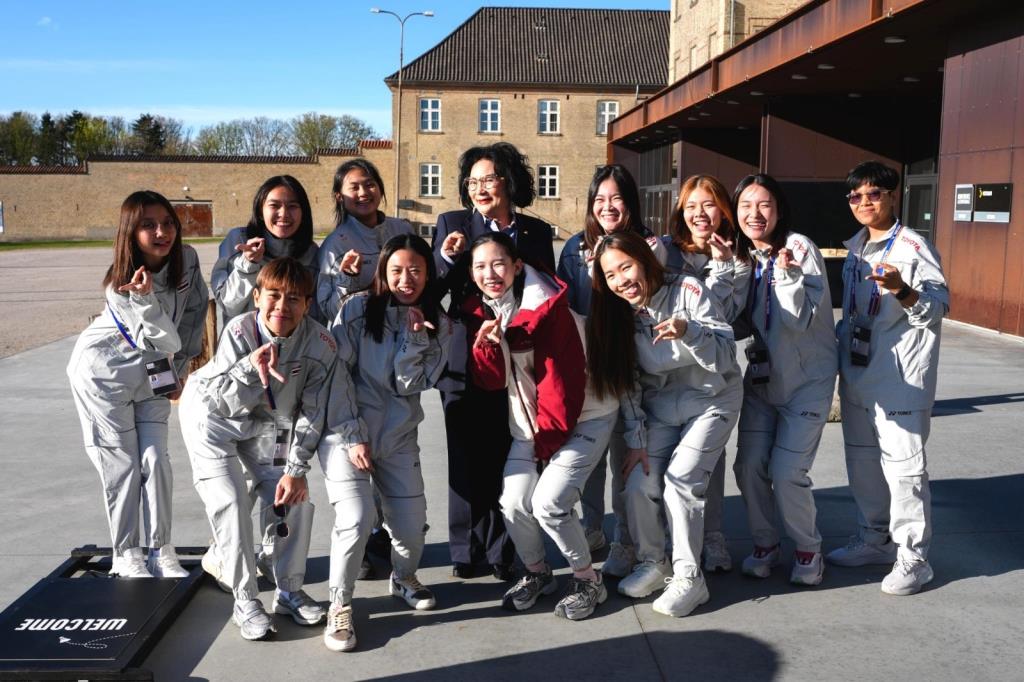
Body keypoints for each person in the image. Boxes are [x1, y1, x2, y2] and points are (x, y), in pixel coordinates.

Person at [465, 233, 619, 620]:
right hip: (533, 426)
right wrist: (487, 347)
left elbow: (560, 388)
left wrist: (546, 449)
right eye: (480, 266)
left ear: (517, 267)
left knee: (549, 503)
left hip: (585, 417)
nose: (489, 273)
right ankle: (538, 572)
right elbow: (493, 382)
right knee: (513, 503)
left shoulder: (548, 308)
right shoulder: (489, 309)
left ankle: (588, 579)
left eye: (498, 263)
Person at [588, 231, 742, 617]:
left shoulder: (688, 289)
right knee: (637, 483)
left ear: (645, 261)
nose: (621, 280)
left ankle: (690, 577)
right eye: (610, 275)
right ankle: (654, 562)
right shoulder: (617, 314)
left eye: (626, 267)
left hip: (712, 399)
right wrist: (637, 440)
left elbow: (725, 357)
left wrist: (689, 332)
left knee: (680, 483)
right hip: (661, 408)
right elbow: (628, 385)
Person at [179, 257, 330, 641]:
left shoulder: (320, 343)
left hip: (266, 422)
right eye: (273, 296)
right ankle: (245, 601)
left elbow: (312, 412)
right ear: (257, 296)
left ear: (308, 304)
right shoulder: (239, 331)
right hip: (212, 419)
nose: (282, 306)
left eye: (294, 298)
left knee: (293, 497)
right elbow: (224, 402)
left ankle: (289, 590)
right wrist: (249, 368)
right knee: (231, 503)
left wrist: (296, 469)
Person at [318, 234, 452, 652]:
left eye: (415, 270)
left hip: (398, 438)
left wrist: (416, 340)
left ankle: (404, 577)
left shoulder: (440, 323)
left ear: (428, 274)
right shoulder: (356, 310)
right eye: (396, 270)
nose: (406, 279)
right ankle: (339, 605)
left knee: (411, 527)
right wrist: (352, 435)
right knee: (356, 520)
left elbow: (409, 384)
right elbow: (335, 377)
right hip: (346, 434)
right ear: (383, 272)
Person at [67, 190, 208, 578]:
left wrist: (181, 369)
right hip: (104, 377)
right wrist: (145, 300)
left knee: (156, 461)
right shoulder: (120, 285)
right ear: (130, 232)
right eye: (148, 225)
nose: (161, 232)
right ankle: (126, 552)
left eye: (167, 223)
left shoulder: (187, 260)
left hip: (154, 373)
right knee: (123, 465)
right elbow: (163, 339)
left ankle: (161, 549)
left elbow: (195, 312)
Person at [431, 142, 554, 581]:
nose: (480, 188)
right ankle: (466, 551)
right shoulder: (453, 224)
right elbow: (433, 289)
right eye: (472, 181)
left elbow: (546, 290)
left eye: (489, 179)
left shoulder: (536, 232)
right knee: (466, 454)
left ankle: (505, 550)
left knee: (507, 449)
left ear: (509, 181)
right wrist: (448, 256)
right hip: (465, 352)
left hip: (518, 354)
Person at [828, 160, 949, 595]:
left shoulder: (914, 247)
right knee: (862, 465)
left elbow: (937, 308)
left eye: (873, 194)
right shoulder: (856, 248)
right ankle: (874, 539)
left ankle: (914, 558)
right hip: (858, 375)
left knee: (904, 471)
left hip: (900, 379)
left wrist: (901, 289)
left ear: (892, 196)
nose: (864, 202)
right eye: (855, 196)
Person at [556, 164, 665, 578]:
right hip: (590, 369)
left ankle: (624, 539)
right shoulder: (574, 248)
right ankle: (592, 526)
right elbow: (565, 308)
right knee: (589, 458)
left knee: (625, 453)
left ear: (631, 202)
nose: (608, 207)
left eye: (617, 198)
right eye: (599, 199)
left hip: (634, 367)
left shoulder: (649, 246)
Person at [730, 174, 837, 586]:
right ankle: (766, 543)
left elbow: (798, 319)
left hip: (807, 382)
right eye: (745, 206)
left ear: (778, 210)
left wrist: (788, 277)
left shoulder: (798, 249)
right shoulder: (745, 255)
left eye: (764, 205)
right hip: (762, 381)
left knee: (788, 471)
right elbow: (741, 322)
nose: (754, 214)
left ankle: (808, 548)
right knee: (748, 466)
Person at [661, 174, 747, 574]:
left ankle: (712, 536)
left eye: (708, 204)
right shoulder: (665, 252)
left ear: (723, 211)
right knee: (668, 465)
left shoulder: (737, 260)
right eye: (691, 206)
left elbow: (722, 319)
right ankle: (670, 541)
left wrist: (723, 268)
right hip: (667, 375)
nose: (699, 213)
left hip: (712, 380)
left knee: (708, 465)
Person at [212, 175, 322, 326]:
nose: (284, 214)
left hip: (294, 341)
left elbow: (315, 317)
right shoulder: (238, 240)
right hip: (243, 339)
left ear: (303, 213)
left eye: (292, 206)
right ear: (260, 211)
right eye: (274, 205)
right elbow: (229, 305)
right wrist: (248, 264)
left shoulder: (311, 253)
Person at [316, 159, 414, 323]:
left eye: (370, 185)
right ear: (339, 197)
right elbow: (331, 312)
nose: (363, 193)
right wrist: (347, 279)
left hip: (407, 329)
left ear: (380, 189)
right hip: (361, 333)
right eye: (354, 187)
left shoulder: (403, 229)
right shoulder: (335, 245)